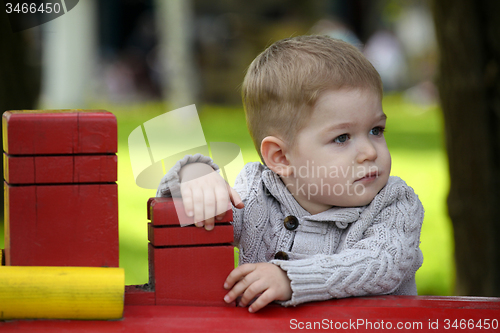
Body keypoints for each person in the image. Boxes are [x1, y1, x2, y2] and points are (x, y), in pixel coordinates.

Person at [156, 35, 424, 313]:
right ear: (281, 157)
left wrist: (290, 277)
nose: (369, 151)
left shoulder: (394, 204)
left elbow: (381, 265)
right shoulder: (258, 194)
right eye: (343, 137)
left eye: (376, 130)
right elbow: (196, 219)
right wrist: (194, 177)